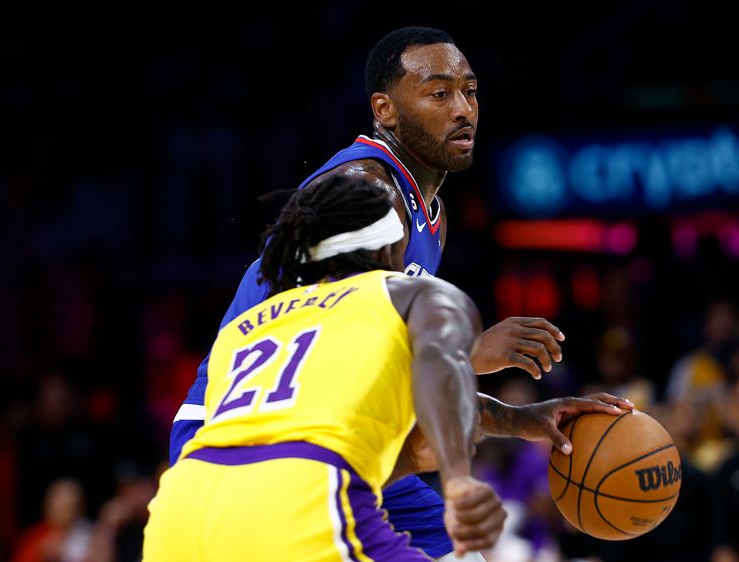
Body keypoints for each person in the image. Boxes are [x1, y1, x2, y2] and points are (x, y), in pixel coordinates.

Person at [169, 25, 632, 559]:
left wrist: (522, 419)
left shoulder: (424, 210)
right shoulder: (363, 192)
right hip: (247, 439)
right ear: (385, 109)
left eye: (471, 90)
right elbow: (327, 341)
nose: (463, 109)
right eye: (439, 93)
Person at [145, 176, 628, 561]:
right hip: (298, 501)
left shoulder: (245, 327)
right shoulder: (401, 294)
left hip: (180, 512)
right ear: (387, 252)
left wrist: (520, 420)